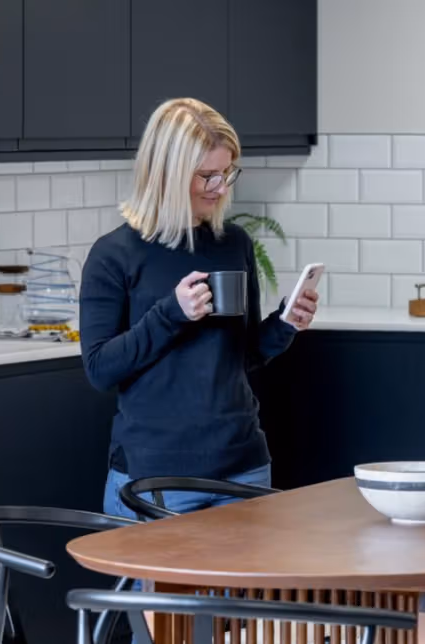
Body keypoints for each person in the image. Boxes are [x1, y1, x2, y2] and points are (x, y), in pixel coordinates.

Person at [79, 97, 319, 521]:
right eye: (208, 176)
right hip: (156, 479)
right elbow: (100, 369)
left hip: (244, 469)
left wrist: (285, 324)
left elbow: (242, 354)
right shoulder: (114, 255)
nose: (221, 188)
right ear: (167, 173)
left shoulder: (233, 243)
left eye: (227, 173)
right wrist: (171, 313)